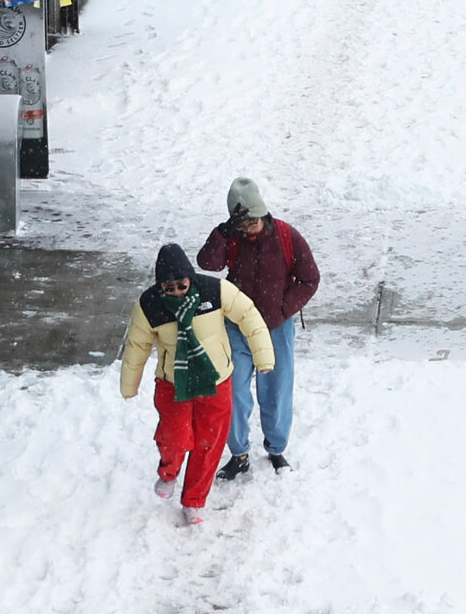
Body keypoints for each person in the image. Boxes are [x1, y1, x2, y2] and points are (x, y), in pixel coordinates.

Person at [122, 241, 273, 525]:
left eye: (181, 285)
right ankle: (168, 473)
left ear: (190, 277)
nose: (177, 292)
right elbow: (136, 346)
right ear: (160, 287)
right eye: (169, 288)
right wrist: (130, 384)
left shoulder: (214, 291)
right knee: (175, 439)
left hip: (216, 380)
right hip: (173, 383)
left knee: (209, 443)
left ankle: (194, 501)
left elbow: (248, 315)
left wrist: (263, 355)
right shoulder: (149, 304)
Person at [196, 176, 320, 480]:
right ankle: (238, 453)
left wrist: (281, 309)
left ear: (263, 213)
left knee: (276, 390)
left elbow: (309, 279)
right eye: (242, 224)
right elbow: (207, 263)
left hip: (275, 328)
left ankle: (276, 449)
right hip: (236, 325)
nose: (248, 230)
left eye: (252, 223)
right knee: (233, 389)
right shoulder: (233, 237)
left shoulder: (288, 237)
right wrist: (222, 233)